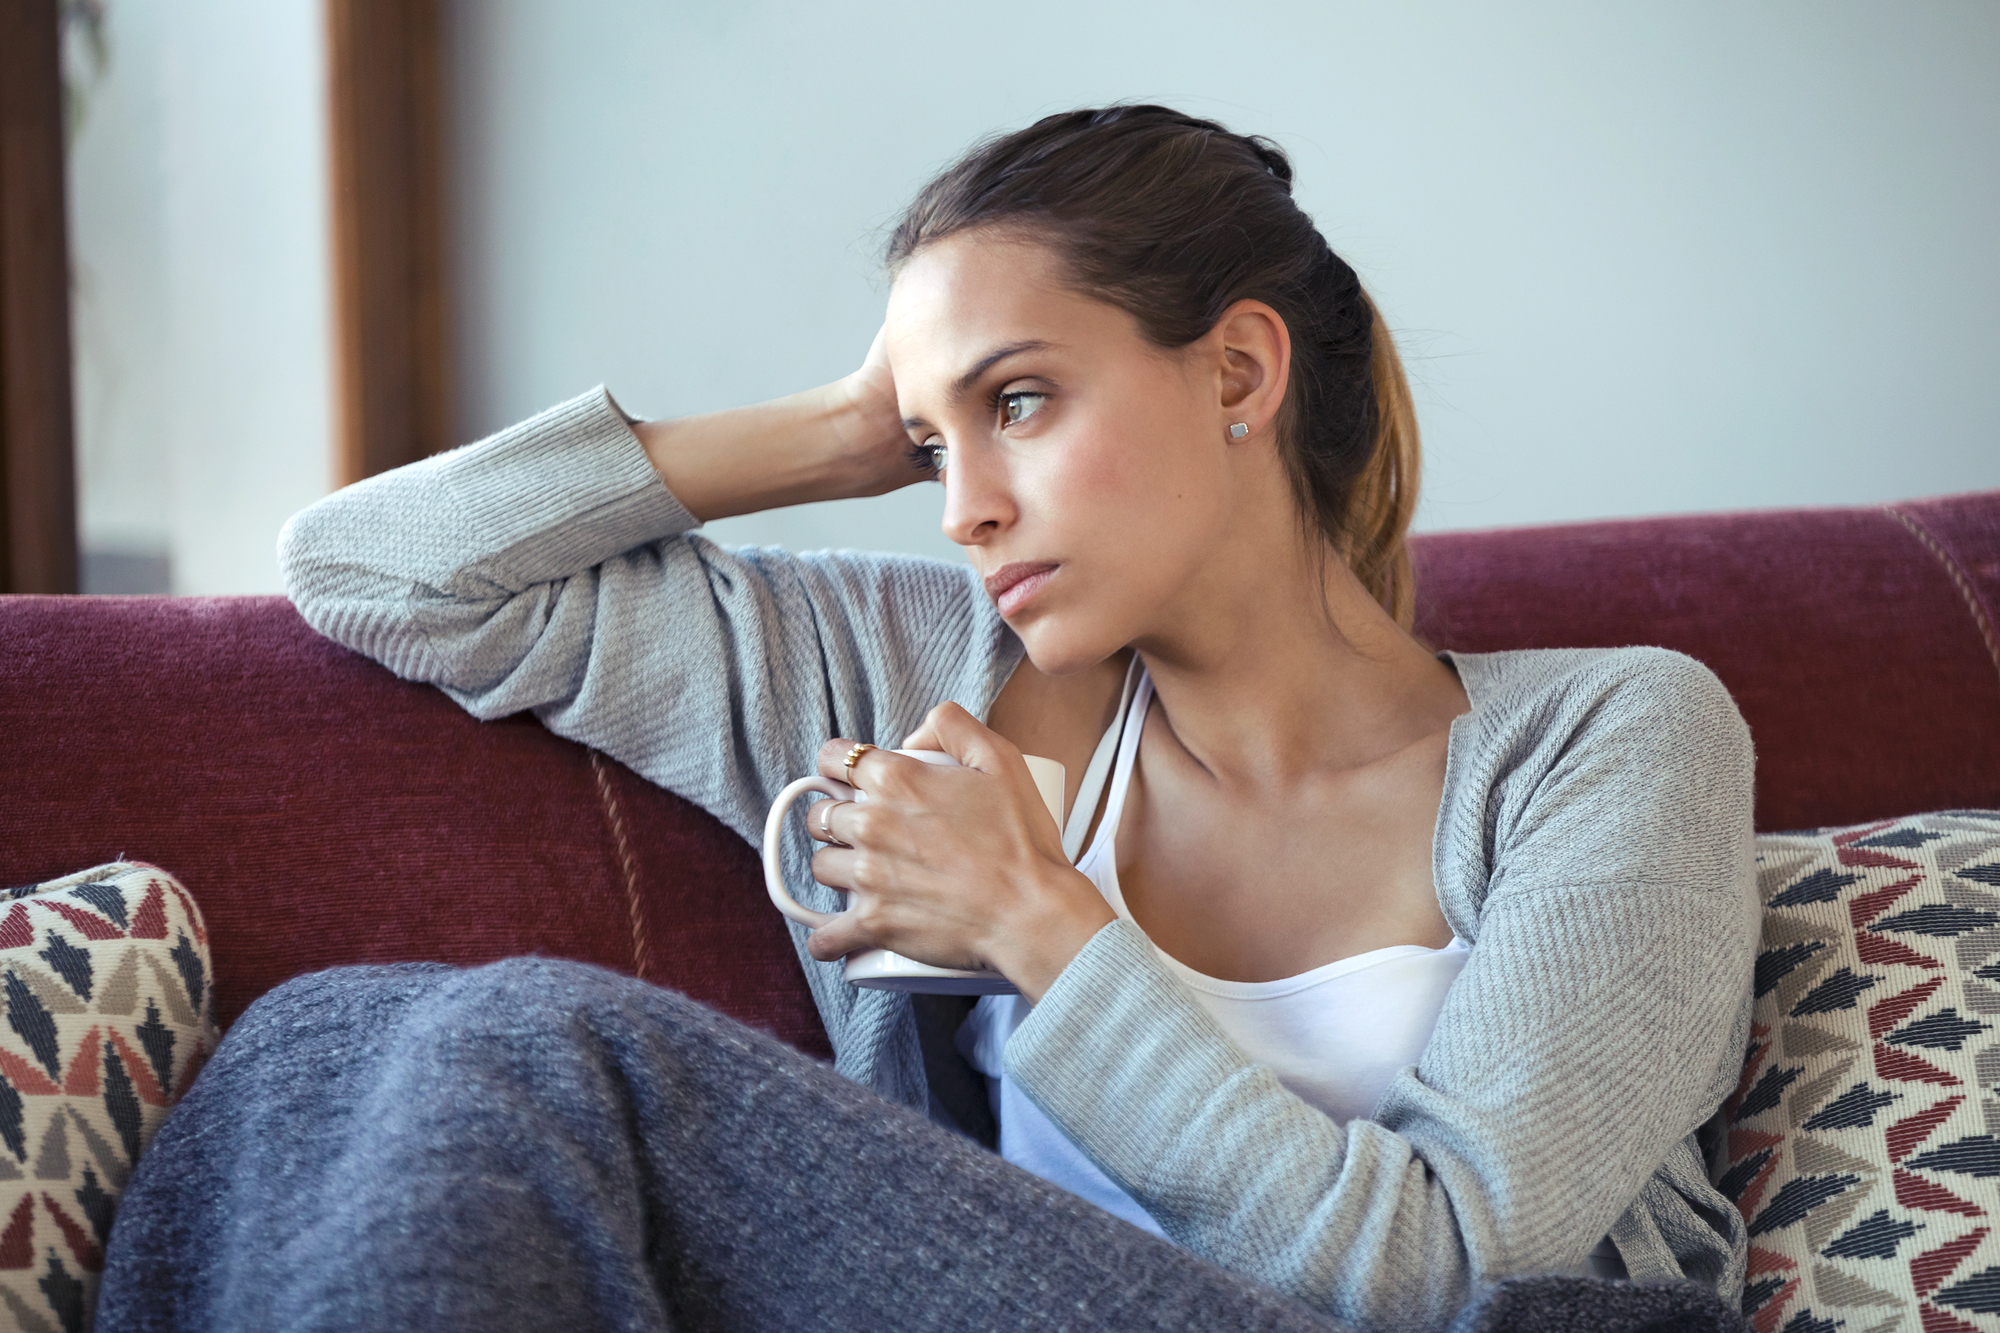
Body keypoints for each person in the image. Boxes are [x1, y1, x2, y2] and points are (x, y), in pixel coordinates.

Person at [96, 105, 1759, 1333]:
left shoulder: (1609, 740)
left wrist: (1038, 922)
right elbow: (377, 571)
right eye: (930, 438)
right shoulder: (920, 677)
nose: (961, 504)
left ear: (1240, 375)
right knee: (346, 1043)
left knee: (542, 1048)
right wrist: (839, 424)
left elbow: (1446, 1268)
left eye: (1020, 400)